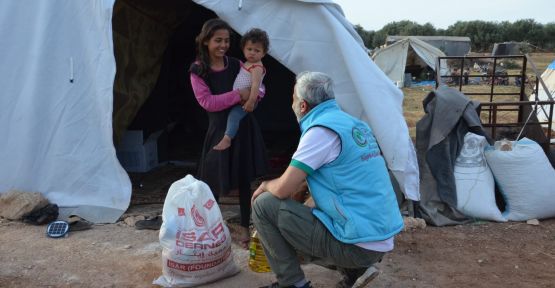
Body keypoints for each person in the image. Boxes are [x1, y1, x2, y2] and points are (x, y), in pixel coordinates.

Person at [251, 72, 404, 288]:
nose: (292, 104)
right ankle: (356, 270)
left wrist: (265, 184)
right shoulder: (354, 124)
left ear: (302, 105)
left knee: (263, 205)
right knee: (311, 206)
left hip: (358, 245)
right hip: (380, 238)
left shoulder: (320, 131)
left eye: (293, 99)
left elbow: (283, 189)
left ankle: (293, 283)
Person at [189, 19, 268, 248]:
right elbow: (208, 102)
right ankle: (208, 229)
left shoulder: (236, 64)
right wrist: (239, 95)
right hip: (217, 130)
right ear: (205, 41)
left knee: (243, 180)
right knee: (211, 180)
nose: (223, 45)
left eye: (226, 40)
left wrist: (253, 96)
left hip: (242, 128)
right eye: (218, 40)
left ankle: (245, 228)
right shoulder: (198, 70)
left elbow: (259, 86)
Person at [213, 28, 269, 150]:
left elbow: (255, 85)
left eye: (257, 50)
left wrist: (251, 102)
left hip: (249, 99)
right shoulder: (247, 63)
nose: (252, 53)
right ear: (243, 49)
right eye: (249, 49)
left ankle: (227, 139)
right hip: (241, 97)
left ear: (263, 53)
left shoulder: (257, 67)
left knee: (234, 116)